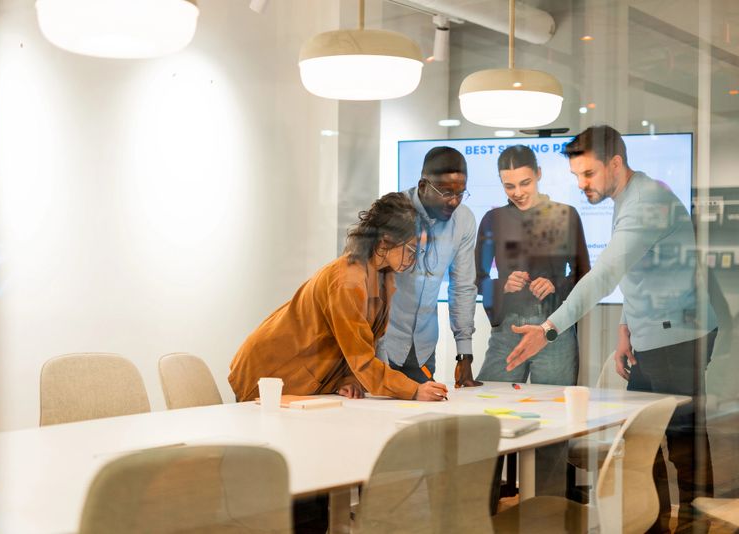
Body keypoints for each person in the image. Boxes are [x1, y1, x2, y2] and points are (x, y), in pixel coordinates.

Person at [506, 125, 717, 532]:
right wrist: (626, 330)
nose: (582, 184)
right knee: (642, 446)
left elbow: (604, 274)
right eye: (576, 176)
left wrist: (548, 329)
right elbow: (639, 273)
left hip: (680, 337)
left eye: (588, 174)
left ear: (615, 163)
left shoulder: (646, 202)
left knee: (683, 445)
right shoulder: (629, 195)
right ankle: (652, 524)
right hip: (654, 332)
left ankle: (696, 525)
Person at [228, 192, 449, 404]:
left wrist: (348, 378)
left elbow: (359, 344)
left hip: (303, 377)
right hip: (269, 372)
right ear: (385, 241)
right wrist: (413, 390)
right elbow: (361, 358)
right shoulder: (348, 282)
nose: (414, 259)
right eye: (411, 249)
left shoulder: (383, 275)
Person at [476, 145, 590, 386]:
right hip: (508, 329)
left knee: (555, 409)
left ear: (538, 173)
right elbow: (477, 278)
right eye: (509, 186)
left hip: (554, 326)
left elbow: (584, 274)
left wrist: (555, 284)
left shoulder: (565, 215)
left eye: (525, 183)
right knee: (492, 403)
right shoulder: (493, 220)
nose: (518, 192)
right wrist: (503, 285)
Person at [379, 146, 480, 388]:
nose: (454, 201)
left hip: (423, 348)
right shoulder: (391, 212)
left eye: (461, 193)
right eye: (446, 193)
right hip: (383, 344)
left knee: (426, 419)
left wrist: (464, 353)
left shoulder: (464, 220)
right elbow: (370, 285)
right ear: (423, 185)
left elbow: (463, 287)